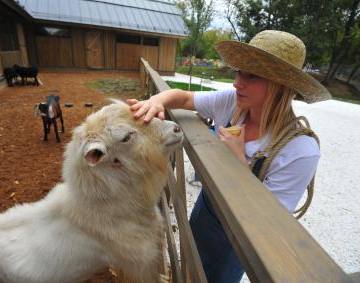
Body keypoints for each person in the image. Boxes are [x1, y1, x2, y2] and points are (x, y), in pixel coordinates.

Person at [127, 30, 331, 283]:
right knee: (190, 263)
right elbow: (186, 98)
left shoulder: (300, 150)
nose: (237, 83)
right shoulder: (233, 103)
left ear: (281, 85)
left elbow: (270, 224)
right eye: (239, 72)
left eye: (252, 76)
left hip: (237, 242)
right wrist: (158, 100)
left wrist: (239, 160)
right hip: (205, 213)